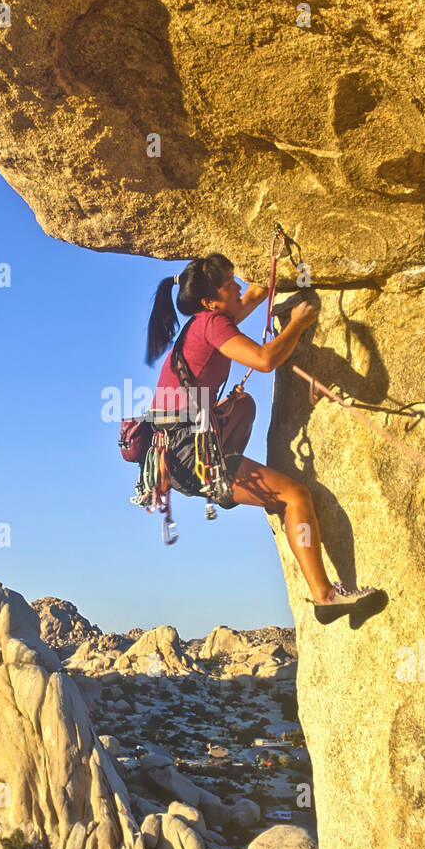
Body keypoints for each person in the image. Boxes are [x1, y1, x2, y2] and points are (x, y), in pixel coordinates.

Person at [146, 252, 384, 624]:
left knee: (244, 404)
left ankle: (225, 484)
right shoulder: (211, 324)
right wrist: (297, 324)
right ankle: (325, 597)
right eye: (228, 284)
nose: (237, 286)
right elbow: (264, 359)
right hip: (188, 454)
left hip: (180, 450)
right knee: (295, 496)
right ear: (210, 301)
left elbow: (253, 295)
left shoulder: (204, 323)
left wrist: (280, 264)